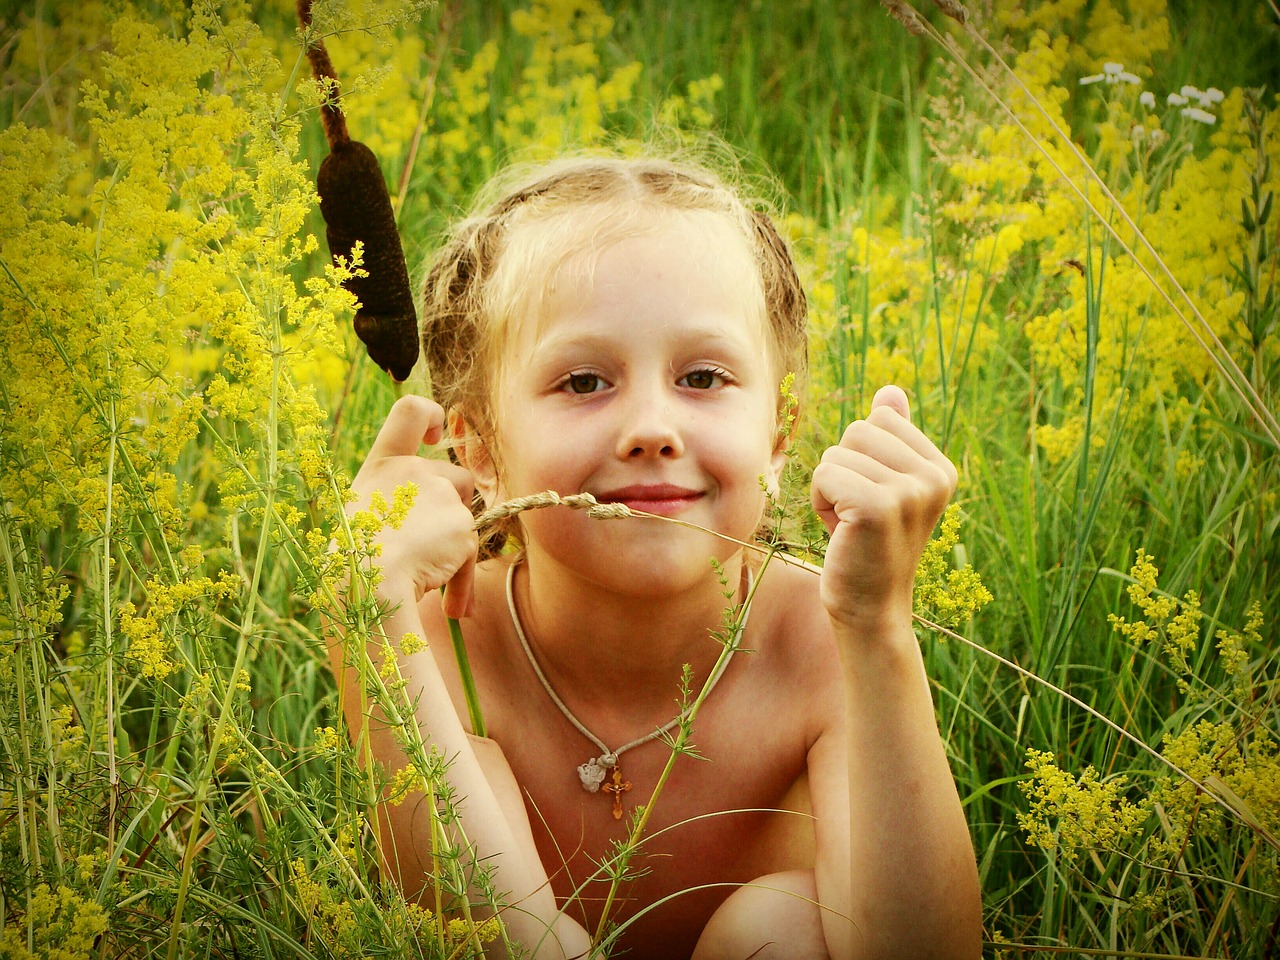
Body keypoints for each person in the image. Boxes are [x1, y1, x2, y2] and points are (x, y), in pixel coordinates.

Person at [328, 154, 982, 959]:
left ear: (778, 438)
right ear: (480, 446)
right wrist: (368, 605)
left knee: (776, 930)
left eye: (703, 376)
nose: (651, 427)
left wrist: (879, 626)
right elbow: (469, 931)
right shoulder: (443, 647)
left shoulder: (821, 639)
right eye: (583, 381)